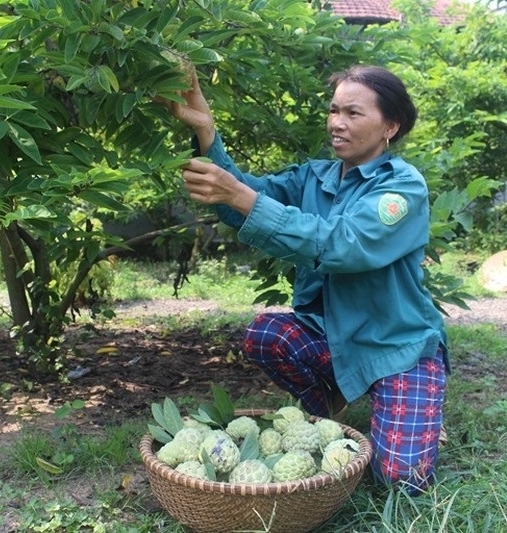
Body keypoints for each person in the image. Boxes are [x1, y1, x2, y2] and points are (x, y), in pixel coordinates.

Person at [165, 64, 449, 494]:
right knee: (267, 335)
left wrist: (240, 195)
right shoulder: (312, 177)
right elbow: (238, 199)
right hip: (336, 337)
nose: (337, 123)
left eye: (353, 113)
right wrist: (207, 131)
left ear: (390, 126)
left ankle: (411, 408)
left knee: (399, 481)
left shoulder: (402, 188)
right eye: (334, 110)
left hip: (398, 346)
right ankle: (335, 400)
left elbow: (345, 245)